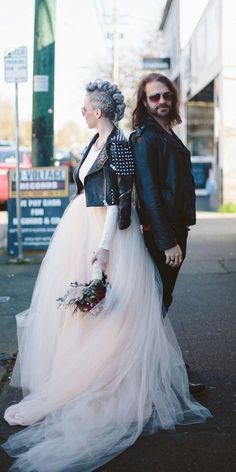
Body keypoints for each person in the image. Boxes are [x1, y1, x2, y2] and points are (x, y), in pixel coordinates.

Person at [2, 79, 210, 472]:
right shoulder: (95, 143)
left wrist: (103, 246)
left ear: (97, 110)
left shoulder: (120, 143)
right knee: (88, 308)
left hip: (109, 235)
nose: (82, 113)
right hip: (84, 230)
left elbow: (120, 197)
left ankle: (124, 380)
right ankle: (93, 374)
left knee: (115, 308)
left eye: (84, 108)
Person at [130, 72, 205, 396]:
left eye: (166, 96)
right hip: (164, 234)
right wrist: (167, 241)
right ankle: (156, 375)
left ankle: (159, 367)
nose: (162, 101)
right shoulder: (146, 136)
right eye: (154, 97)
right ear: (144, 102)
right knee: (156, 304)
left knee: (159, 303)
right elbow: (148, 192)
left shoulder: (165, 131)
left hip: (175, 229)